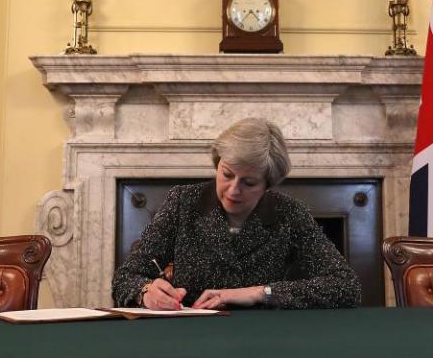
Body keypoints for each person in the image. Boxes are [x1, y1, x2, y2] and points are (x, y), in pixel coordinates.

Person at [112, 117, 361, 310]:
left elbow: (346, 286)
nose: (233, 190)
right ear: (217, 164)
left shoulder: (290, 213)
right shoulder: (183, 202)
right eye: (227, 174)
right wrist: (145, 292)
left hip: (266, 337)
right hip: (190, 336)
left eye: (249, 183)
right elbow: (126, 277)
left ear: (268, 184)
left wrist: (259, 293)